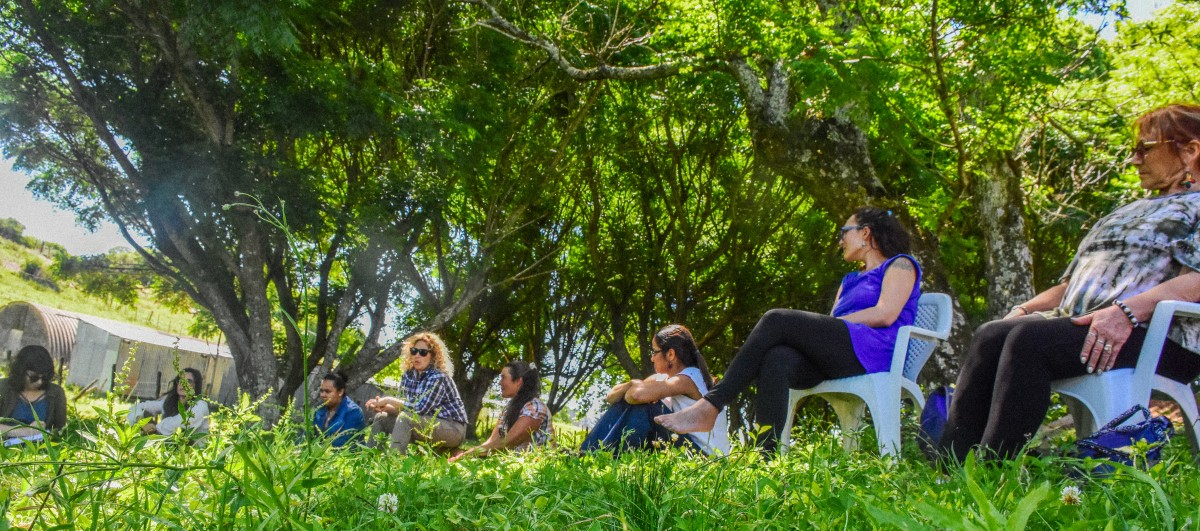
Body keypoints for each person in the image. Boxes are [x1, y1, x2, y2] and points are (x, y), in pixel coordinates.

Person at [936, 103, 1200, 462]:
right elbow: (1070, 284)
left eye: (1145, 148)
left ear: (1190, 149)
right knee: (992, 333)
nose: (1135, 160)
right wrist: (1025, 309)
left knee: (1030, 341)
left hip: (1159, 336)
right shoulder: (1129, 210)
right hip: (1088, 323)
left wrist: (1125, 313)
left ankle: (993, 472)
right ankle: (951, 467)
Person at [656, 207, 922, 452]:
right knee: (777, 359)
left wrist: (837, 324)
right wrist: (828, 327)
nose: (840, 240)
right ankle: (765, 457)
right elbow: (831, 323)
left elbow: (886, 314)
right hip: (840, 354)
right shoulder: (850, 279)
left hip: (873, 354)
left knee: (776, 318)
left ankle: (711, 404)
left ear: (865, 233)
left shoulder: (900, 264)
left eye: (844, 232)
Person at [580, 324, 729, 456]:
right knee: (635, 400)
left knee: (647, 406)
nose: (652, 358)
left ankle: (593, 454)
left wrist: (635, 388)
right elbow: (612, 396)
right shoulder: (667, 379)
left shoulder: (691, 377)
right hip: (687, 448)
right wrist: (631, 383)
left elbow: (636, 395)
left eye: (654, 351)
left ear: (670, 354)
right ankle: (592, 453)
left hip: (704, 458)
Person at [365, 332, 468, 453]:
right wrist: (384, 407)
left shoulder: (438, 376)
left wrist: (388, 400)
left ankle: (393, 464)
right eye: (414, 351)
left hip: (452, 429)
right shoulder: (408, 376)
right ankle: (370, 459)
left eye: (423, 352)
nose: (417, 355)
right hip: (424, 423)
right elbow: (404, 408)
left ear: (433, 356)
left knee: (405, 418)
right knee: (381, 417)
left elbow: (420, 409)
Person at [449, 360, 552, 461]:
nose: (499, 382)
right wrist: (468, 454)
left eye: (503, 377)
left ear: (518, 382)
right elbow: (492, 442)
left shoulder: (535, 407)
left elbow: (507, 443)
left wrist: (469, 454)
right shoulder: (510, 407)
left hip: (536, 468)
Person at [1, 345, 68, 444]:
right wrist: (26, 431)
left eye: (44, 378)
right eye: (34, 378)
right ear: (21, 372)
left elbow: (61, 431)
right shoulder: (3, 387)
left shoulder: (56, 393)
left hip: (40, 453)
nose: (39, 382)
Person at [127, 367, 211, 436]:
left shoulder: (200, 405)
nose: (183, 384)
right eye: (180, 380)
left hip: (192, 452)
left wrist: (152, 429)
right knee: (140, 415)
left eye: (188, 381)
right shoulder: (169, 402)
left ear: (196, 385)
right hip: (168, 447)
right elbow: (136, 407)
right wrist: (142, 423)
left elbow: (176, 425)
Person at [313, 370, 366, 447]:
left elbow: (342, 444)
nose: (323, 395)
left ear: (340, 392)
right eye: (321, 391)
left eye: (327, 392)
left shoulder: (353, 412)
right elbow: (311, 437)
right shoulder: (320, 410)